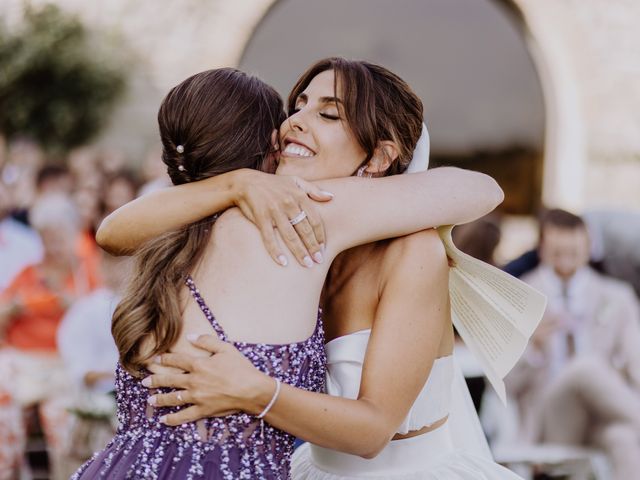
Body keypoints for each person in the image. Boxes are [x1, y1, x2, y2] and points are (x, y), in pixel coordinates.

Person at [96, 59, 518, 479]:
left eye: (329, 113)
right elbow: (114, 232)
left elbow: (482, 189)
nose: (295, 121)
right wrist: (237, 182)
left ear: (379, 156)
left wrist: (254, 391)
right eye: (297, 106)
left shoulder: (410, 250)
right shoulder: (278, 226)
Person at [506, 209, 640, 480]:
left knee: (623, 437)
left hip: (603, 416)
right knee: (586, 367)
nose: (566, 260)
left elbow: (636, 365)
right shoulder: (519, 297)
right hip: (549, 421)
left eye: (574, 252)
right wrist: (532, 347)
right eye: (557, 252)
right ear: (542, 249)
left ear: (589, 248)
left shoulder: (617, 296)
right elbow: (503, 385)